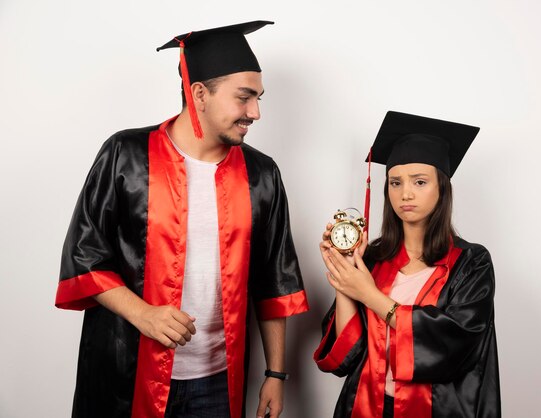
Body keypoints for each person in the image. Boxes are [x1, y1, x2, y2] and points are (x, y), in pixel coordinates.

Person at [55, 20, 308, 418]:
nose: (256, 112)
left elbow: (273, 278)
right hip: (126, 374)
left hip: (217, 381)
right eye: (244, 98)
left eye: (259, 98)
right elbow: (85, 258)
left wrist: (276, 373)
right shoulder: (126, 155)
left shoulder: (262, 174)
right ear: (200, 93)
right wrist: (145, 314)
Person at [314, 111, 500, 418]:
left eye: (420, 181)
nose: (406, 193)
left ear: (442, 188)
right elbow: (347, 358)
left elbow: (455, 348)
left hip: (436, 411)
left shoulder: (471, 263)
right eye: (395, 183)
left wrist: (371, 295)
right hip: (368, 407)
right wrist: (346, 274)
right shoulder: (374, 259)